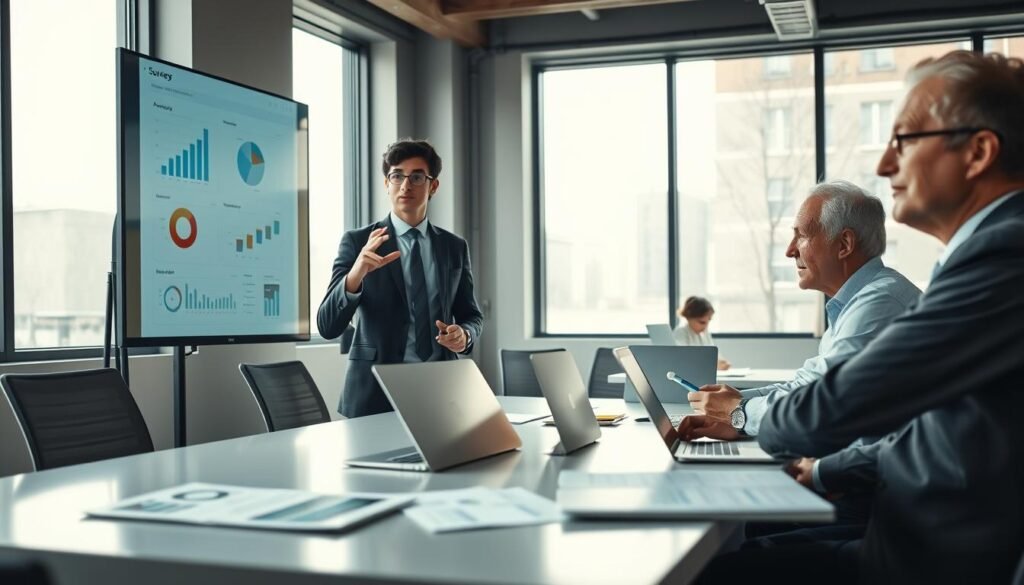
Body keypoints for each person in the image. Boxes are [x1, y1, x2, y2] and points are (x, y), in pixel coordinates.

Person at [690, 50, 1024, 585]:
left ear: (979, 152)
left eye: (904, 141)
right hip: (916, 532)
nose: (886, 165)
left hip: (929, 557)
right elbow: (932, 426)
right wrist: (829, 469)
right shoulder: (986, 252)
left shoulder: (1003, 254)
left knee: (716, 573)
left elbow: (833, 405)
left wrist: (743, 419)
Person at [317, 139, 484, 418]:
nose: (406, 185)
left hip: (440, 392)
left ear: (433, 186)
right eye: (397, 176)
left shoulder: (454, 247)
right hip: (374, 392)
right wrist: (356, 272)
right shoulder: (359, 241)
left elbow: (471, 315)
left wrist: (464, 335)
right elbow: (326, 326)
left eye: (417, 176)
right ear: (387, 183)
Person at [672, 296, 730, 370]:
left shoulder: (704, 333)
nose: (706, 326)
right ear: (688, 317)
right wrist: (713, 365)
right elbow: (685, 360)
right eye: (702, 322)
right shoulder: (680, 333)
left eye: (708, 321)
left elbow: (713, 355)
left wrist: (722, 363)